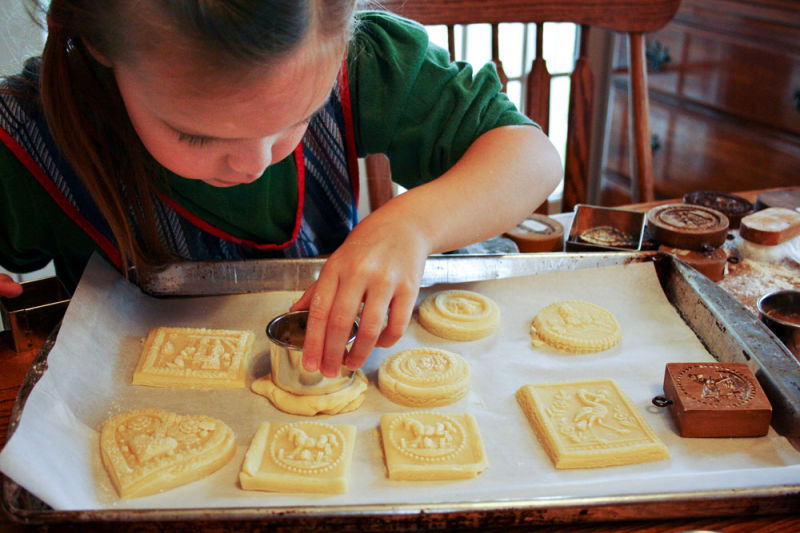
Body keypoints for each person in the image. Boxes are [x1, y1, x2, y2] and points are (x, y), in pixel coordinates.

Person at [0, 1, 562, 377]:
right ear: (100, 46)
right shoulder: (26, 143)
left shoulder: (363, 63)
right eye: (197, 136)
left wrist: (411, 225)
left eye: (299, 119)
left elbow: (530, 156)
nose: (255, 163)